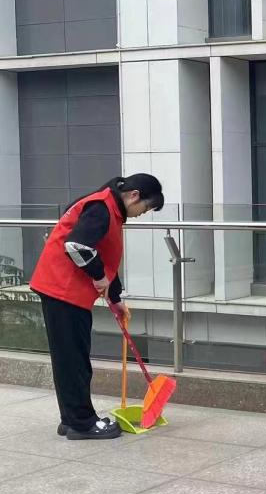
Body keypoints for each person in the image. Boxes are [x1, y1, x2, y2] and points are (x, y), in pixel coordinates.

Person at [29, 175, 165, 440]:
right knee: (74, 361)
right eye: (146, 208)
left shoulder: (108, 207)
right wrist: (98, 276)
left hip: (63, 290)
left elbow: (103, 255)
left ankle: (71, 419)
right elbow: (76, 245)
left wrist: (115, 298)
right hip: (63, 290)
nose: (142, 214)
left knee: (69, 359)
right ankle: (82, 423)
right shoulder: (101, 207)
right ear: (134, 195)